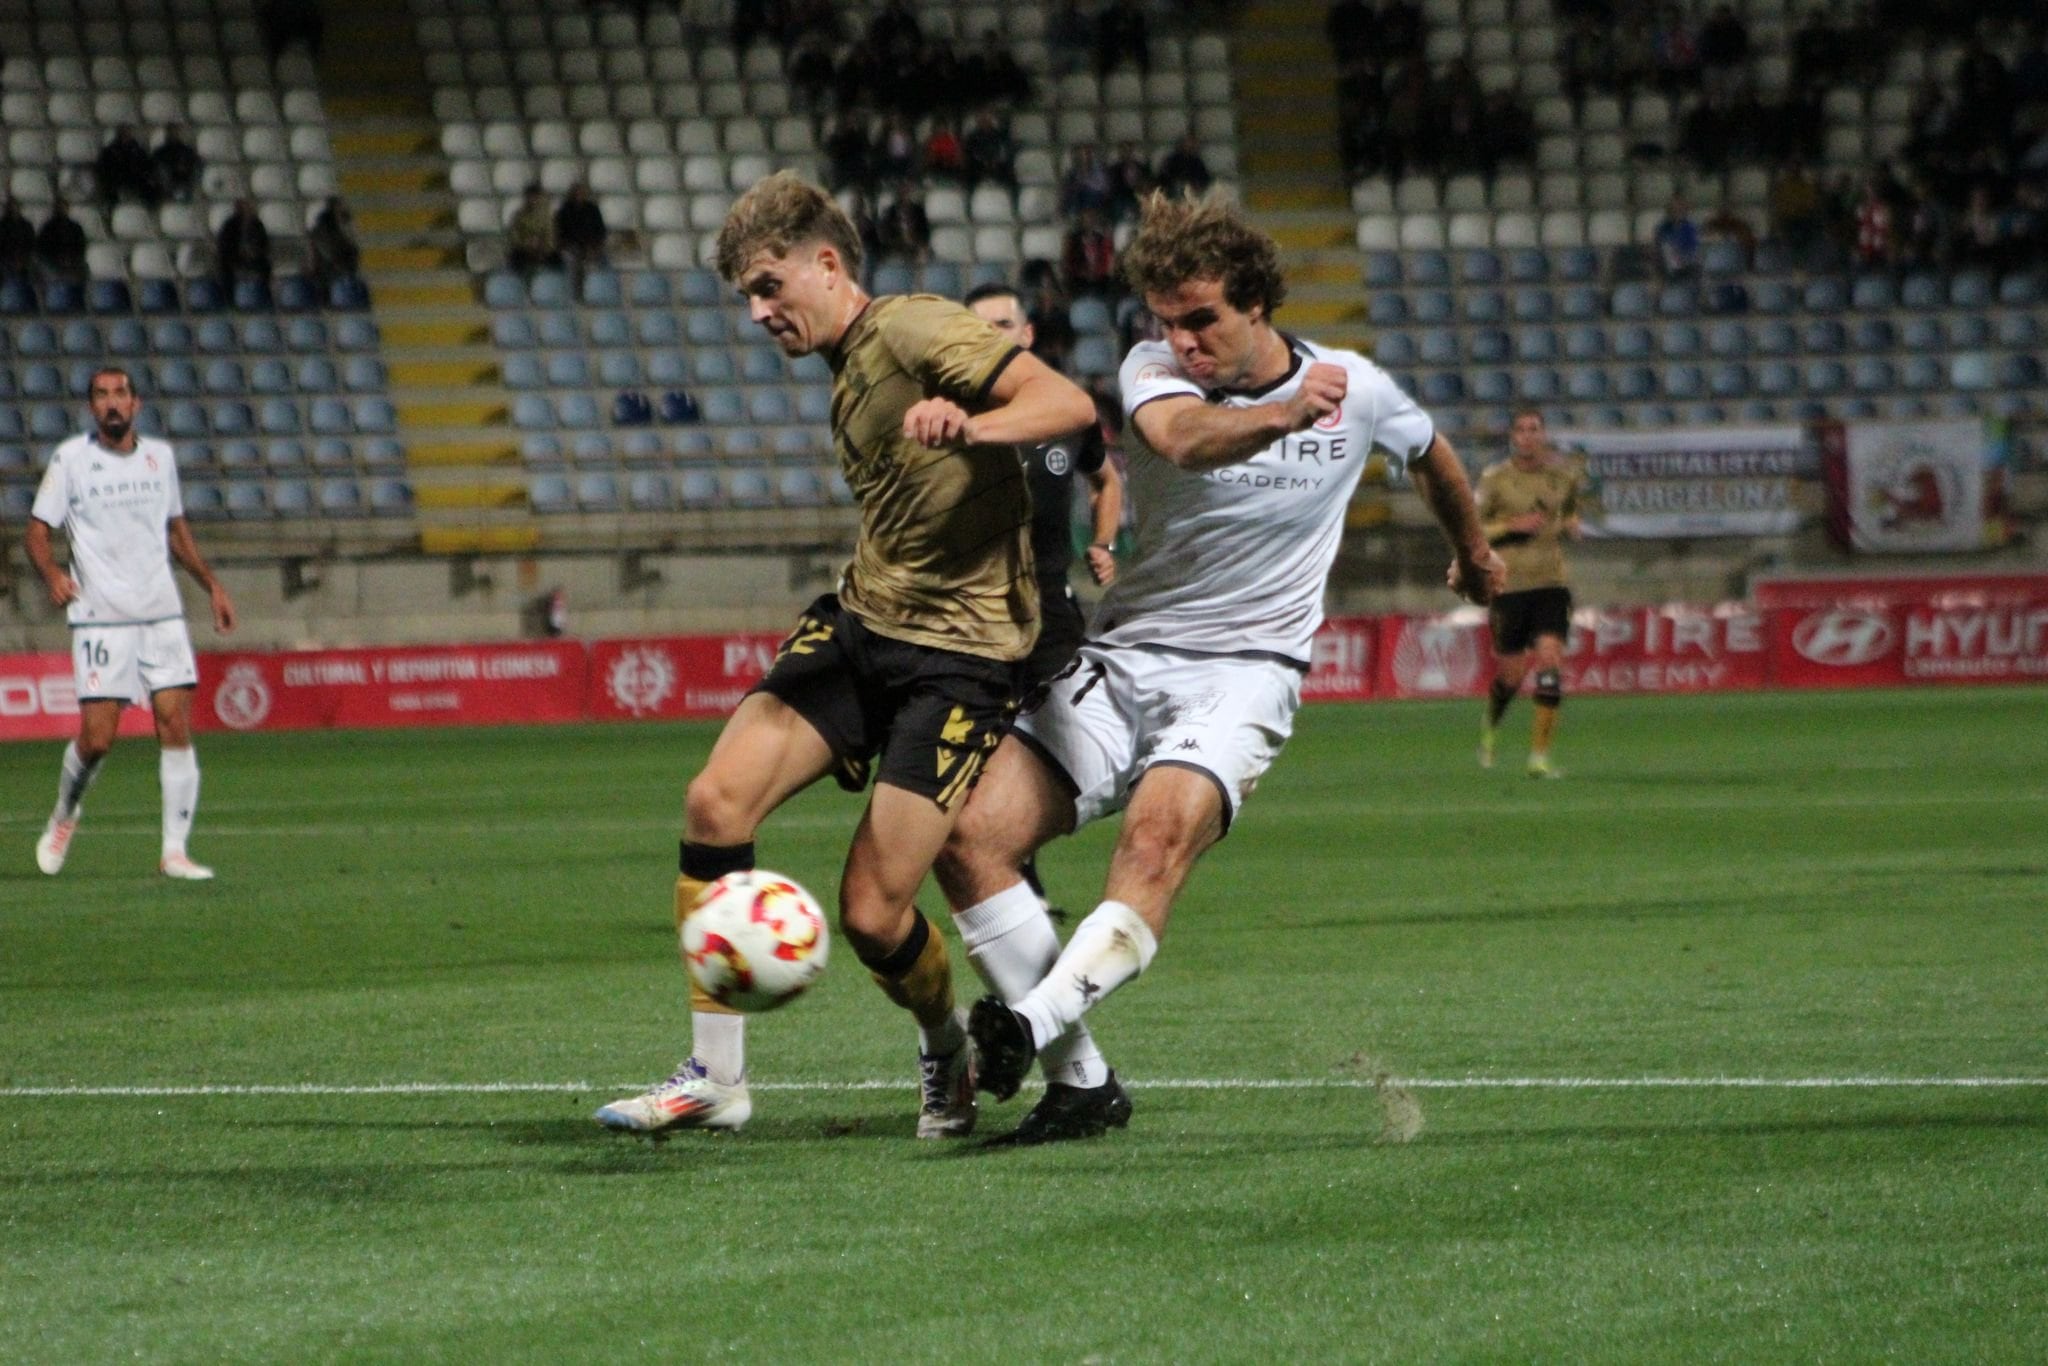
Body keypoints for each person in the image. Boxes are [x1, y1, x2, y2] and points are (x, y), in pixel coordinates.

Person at [932, 192, 1505, 1143]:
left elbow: (1435, 456)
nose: (1182, 340)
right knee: (965, 838)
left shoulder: (1354, 384)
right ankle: (1081, 1082)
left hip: (1245, 671)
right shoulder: (1156, 371)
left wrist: (1475, 554)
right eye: (1167, 320)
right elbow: (1180, 440)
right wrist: (1283, 415)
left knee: (1154, 843)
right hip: (1124, 657)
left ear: (1256, 304)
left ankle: (1028, 1025)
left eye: (1202, 320)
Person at [594, 171, 1096, 1138]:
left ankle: (945, 1048)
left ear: (828, 264)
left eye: (769, 284)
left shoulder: (910, 327)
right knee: (713, 803)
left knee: (871, 914)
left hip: (960, 660)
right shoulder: (849, 367)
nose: (757, 311)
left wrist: (973, 420)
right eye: (747, 294)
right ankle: (716, 1078)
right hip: (865, 625)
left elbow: (1065, 402)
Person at [25, 367, 238, 881]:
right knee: (97, 740)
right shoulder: (71, 460)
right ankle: (65, 813)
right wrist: (53, 572)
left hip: (161, 612)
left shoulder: (159, 457)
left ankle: (174, 851)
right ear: (92, 407)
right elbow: (37, 530)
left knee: (174, 722)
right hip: (101, 618)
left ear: (136, 404)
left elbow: (176, 530)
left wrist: (210, 584)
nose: (112, 403)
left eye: (120, 394)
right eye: (102, 395)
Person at [964, 281, 1125, 905]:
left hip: (1052, 612)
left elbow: (1106, 481)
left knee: (1073, 749)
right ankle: (1004, 876)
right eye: (979, 329)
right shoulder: (959, 420)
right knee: (978, 746)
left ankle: (1013, 858)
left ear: (1026, 334)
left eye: (1002, 325)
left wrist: (1104, 543)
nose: (991, 338)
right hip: (974, 615)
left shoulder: (1067, 413)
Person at [1475, 408, 1586, 778]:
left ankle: (1538, 758)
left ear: (1543, 434)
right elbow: (1473, 530)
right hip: (1509, 585)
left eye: (1533, 429)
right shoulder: (1495, 480)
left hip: (1551, 583)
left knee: (1550, 659)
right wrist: (1511, 524)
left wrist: (1572, 525)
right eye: (1520, 429)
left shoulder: (1563, 477)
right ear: (1512, 436)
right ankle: (1490, 728)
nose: (1527, 436)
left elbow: (1569, 511)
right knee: (1511, 675)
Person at [94, 125, 160, 213]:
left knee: (150, 186)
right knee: (109, 189)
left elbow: (147, 164)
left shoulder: (137, 150)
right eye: (124, 133)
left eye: (127, 133)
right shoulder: (110, 150)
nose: (126, 136)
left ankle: (151, 210)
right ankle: (111, 212)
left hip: (135, 177)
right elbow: (103, 167)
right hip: (117, 178)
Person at [553, 181, 608, 279]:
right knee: (568, 262)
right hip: (570, 248)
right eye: (577, 193)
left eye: (581, 193)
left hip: (590, 247)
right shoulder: (564, 211)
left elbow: (601, 231)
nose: (579, 195)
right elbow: (559, 233)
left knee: (598, 264)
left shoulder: (593, 210)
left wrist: (595, 248)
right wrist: (567, 246)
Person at [215, 198, 272, 290]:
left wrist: (254, 252)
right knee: (224, 267)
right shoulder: (230, 225)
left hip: (255, 257)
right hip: (233, 258)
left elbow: (264, 243)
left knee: (264, 265)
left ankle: (263, 291)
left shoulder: (256, 224)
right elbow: (224, 245)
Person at [306, 196, 360, 290]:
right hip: (330, 281)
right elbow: (335, 256)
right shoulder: (323, 231)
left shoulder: (344, 226)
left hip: (343, 278)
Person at [506, 184, 558, 277]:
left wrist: (542, 245)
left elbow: (550, 235)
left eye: (536, 197)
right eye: (531, 197)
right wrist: (526, 242)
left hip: (542, 249)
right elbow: (514, 235)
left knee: (556, 260)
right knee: (516, 258)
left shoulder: (546, 216)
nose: (534, 200)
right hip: (524, 249)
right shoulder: (518, 216)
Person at [35, 198, 88, 283]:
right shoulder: (48, 228)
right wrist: (57, 260)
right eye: (60, 207)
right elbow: (42, 248)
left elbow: (81, 246)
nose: (63, 210)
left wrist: (71, 260)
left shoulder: (75, 227)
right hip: (53, 263)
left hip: (72, 263)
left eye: (64, 208)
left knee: (84, 268)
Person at [151, 124, 202, 203]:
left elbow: (195, 162)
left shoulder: (186, 150)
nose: (174, 134)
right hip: (168, 182)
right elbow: (157, 165)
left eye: (176, 132)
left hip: (184, 180)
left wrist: (185, 167)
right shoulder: (160, 152)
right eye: (172, 132)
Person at [0, 196, 35, 283]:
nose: (13, 210)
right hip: (6, 259)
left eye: (15, 207)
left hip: (24, 259)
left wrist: (23, 258)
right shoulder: (2, 225)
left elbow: (31, 244)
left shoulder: (26, 225)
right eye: (11, 207)